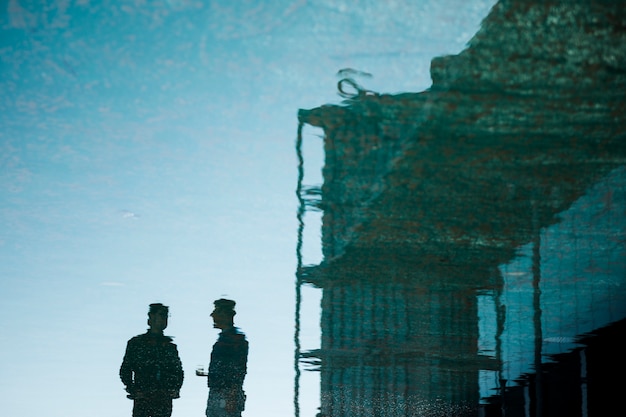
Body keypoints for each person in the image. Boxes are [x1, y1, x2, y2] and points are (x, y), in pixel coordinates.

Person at [120, 303, 184, 417]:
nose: (163, 319)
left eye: (165, 316)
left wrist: (174, 388)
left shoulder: (169, 347)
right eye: (160, 315)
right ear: (151, 317)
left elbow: (178, 371)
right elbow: (125, 369)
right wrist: (133, 389)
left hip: (163, 399)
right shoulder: (137, 344)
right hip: (144, 398)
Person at [201, 298, 249, 417]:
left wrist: (232, 394)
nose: (212, 315)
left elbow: (238, 369)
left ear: (225, 315)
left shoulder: (235, 340)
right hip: (220, 393)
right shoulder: (227, 339)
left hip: (225, 395)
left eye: (216, 311)